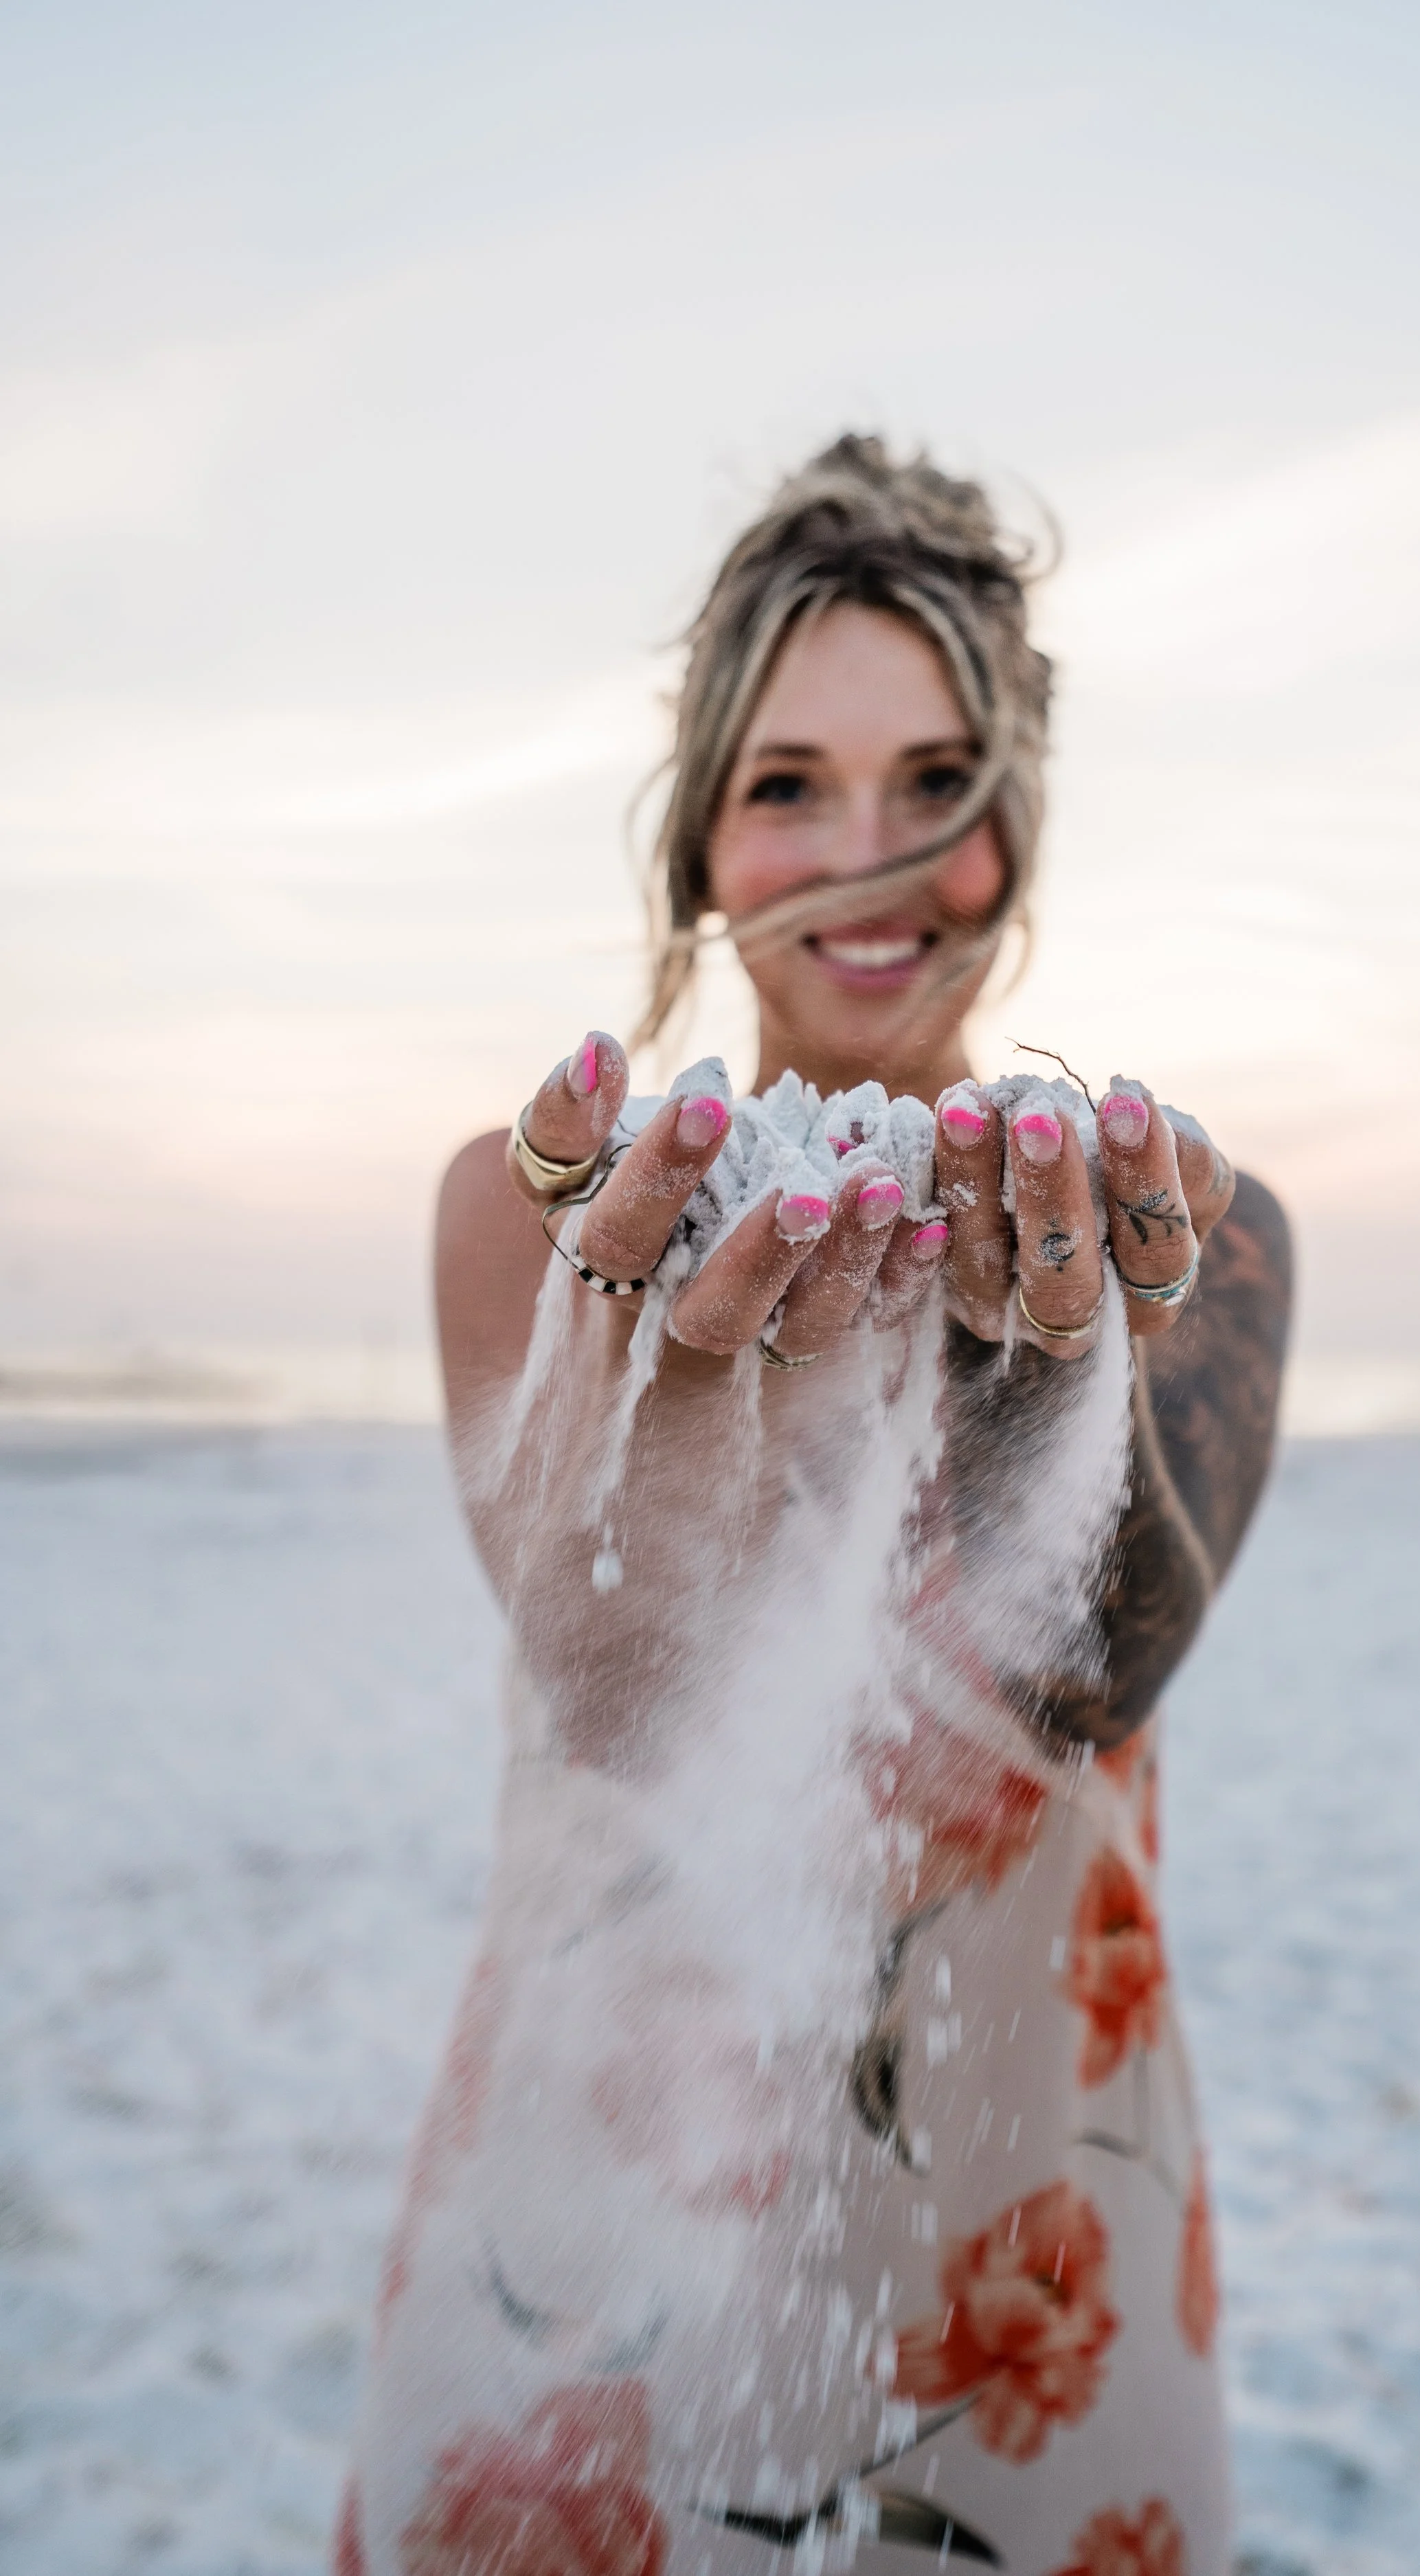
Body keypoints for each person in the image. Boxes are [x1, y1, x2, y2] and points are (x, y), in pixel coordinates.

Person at [337, 436, 1292, 2576]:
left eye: (938, 779)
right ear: (694, 834)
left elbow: (1101, 1660)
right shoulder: (549, 1216)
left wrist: (1049, 1364)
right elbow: (618, 1694)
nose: (872, 860)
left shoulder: (1184, 1227)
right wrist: (671, 1432)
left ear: (1017, 818)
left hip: (1044, 2209)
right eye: (787, 784)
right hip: (597, 2215)